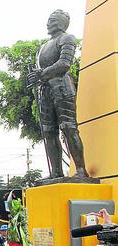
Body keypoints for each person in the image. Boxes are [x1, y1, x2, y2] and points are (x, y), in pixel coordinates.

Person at [27, 9, 88, 179]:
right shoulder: (42, 47)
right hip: (45, 90)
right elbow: (40, 71)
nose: (49, 23)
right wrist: (36, 76)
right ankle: (56, 171)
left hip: (62, 87)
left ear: (61, 23)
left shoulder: (67, 38)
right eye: (48, 20)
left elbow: (64, 64)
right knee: (48, 131)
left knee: (69, 127)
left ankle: (81, 170)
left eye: (53, 20)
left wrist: (42, 73)